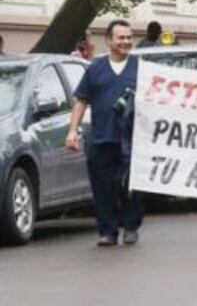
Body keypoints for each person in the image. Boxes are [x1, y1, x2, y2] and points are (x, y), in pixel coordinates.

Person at [65, 20, 143, 246]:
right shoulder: (95, 69)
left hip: (132, 141)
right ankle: (107, 231)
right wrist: (72, 131)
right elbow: (81, 101)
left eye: (129, 37)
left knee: (130, 187)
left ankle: (130, 227)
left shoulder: (141, 67)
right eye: (121, 38)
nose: (126, 42)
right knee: (103, 188)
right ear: (109, 40)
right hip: (101, 138)